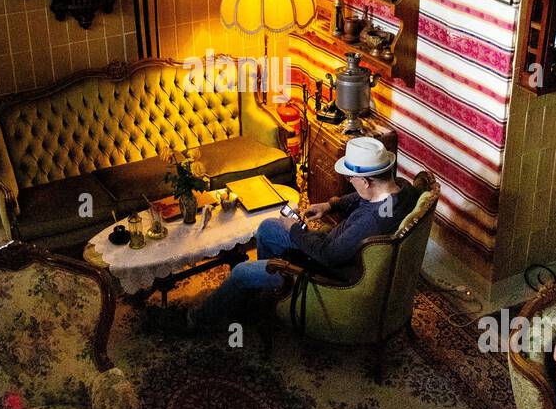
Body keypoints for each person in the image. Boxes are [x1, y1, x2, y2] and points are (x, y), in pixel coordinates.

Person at [167, 137, 419, 334]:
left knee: (241, 272)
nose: (350, 181)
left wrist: (294, 229)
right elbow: (359, 198)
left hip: (324, 271)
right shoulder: (400, 190)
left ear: (366, 182)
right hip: (330, 247)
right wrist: (331, 205)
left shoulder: (371, 220)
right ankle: (269, 298)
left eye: (352, 178)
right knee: (267, 227)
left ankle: (195, 320)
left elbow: (328, 256)